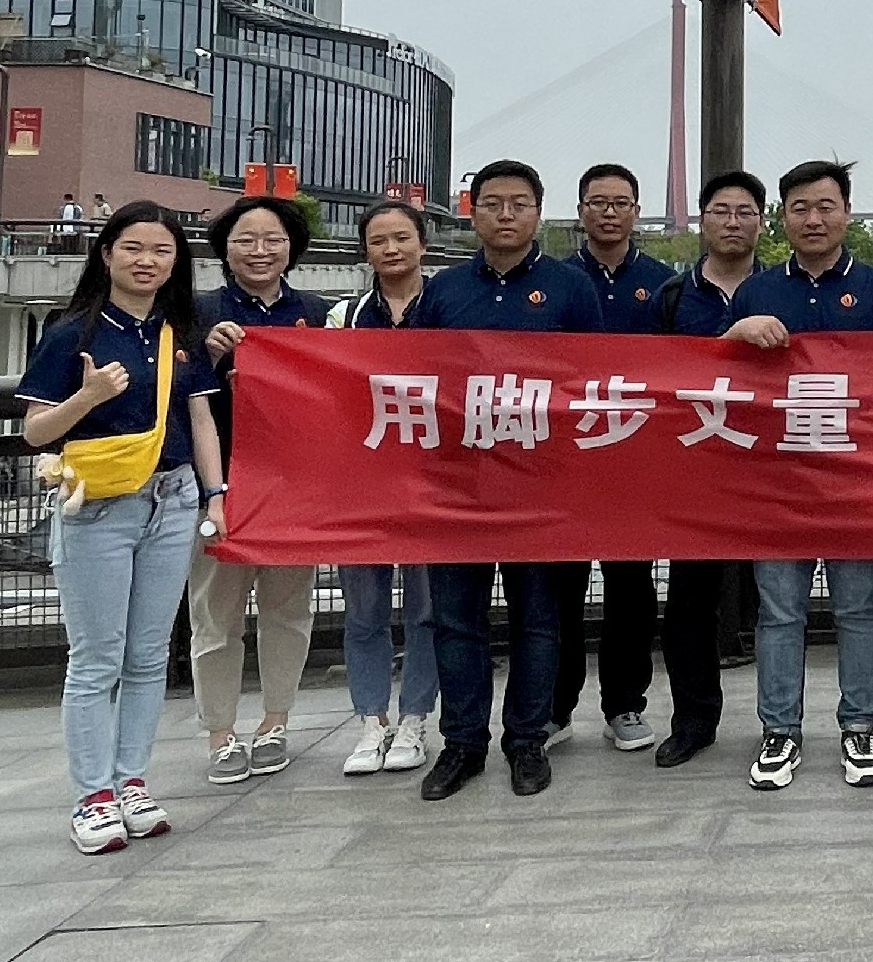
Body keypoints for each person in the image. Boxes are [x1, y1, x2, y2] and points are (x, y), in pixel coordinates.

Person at [21, 203, 223, 853]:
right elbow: (35, 431)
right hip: (98, 507)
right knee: (96, 659)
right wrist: (87, 398)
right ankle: (93, 795)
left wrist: (214, 497)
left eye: (161, 251)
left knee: (147, 655)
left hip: (174, 499)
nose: (146, 261)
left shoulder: (181, 331)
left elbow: (199, 420)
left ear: (176, 262)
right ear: (106, 254)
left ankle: (131, 780)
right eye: (133, 247)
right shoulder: (71, 332)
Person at [414, 159, 604, 802]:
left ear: (538, 213)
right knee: (456, 621)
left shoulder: (571, 289)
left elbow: (590, 384)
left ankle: (527, 741)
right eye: (492, 202)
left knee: (539, 620)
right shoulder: (443, 291)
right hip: (459, 484)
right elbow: (414, 379)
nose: (505, 214)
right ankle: (462, 744)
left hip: (541, 484)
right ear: (472, 212)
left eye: (519, 203)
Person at [723, 160, 873, 792]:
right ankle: (780, 730)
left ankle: (859, 726)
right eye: (800, 207)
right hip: (779, 482)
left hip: (857, 482)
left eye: (826, 206)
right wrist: (734, 333)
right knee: (780, 612)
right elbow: (721, 386)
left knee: (859, 608)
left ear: (847, 214)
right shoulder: (757, 292)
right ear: (783, 218)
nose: (813, 219)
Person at [190, 194, 329, 787]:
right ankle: (220, 733)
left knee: (288, 609)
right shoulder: (197, 312)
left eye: (273, 239)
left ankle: (276, 722)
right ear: (224, 249)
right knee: (215, 614)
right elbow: (176, 392)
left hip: (294, 486)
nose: (260, 251)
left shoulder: (316, 313)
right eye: (245, 240)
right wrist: (207, 354)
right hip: (218, 484)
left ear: (292, 248)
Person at [548, 163, 680, 758]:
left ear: (636, 211)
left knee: (631, 589)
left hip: (634, 460)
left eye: (620, 202)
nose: (608, 212)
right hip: (564, 460)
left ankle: (625, 704)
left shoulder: (664, 284)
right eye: (597, 202)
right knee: (561, 590)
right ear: (580, 211)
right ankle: (555, 708)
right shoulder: (554, 280)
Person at [647, 169, 770, 767]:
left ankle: (783, 724)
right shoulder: (672, 296)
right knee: (689, 606)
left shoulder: (783, 291)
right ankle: (694, 721)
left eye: (745, 212)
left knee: (780, 604)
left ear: (761, 222)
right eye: (721, 211)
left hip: (774, 472)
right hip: (696, 471)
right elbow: (649, 378)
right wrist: (730, 338)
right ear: (702, 220)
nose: (732, 222)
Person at [327, 201, 438, 777]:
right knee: (363, 612)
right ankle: (371, 721)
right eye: (378, 241)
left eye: (401, 238)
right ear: (364, 251)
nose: (391, 249)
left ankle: (415, 718)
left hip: (432, 485)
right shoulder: (344, 317)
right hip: (361, 486)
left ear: (423, 243)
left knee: (427, 611)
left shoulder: (447, 308)